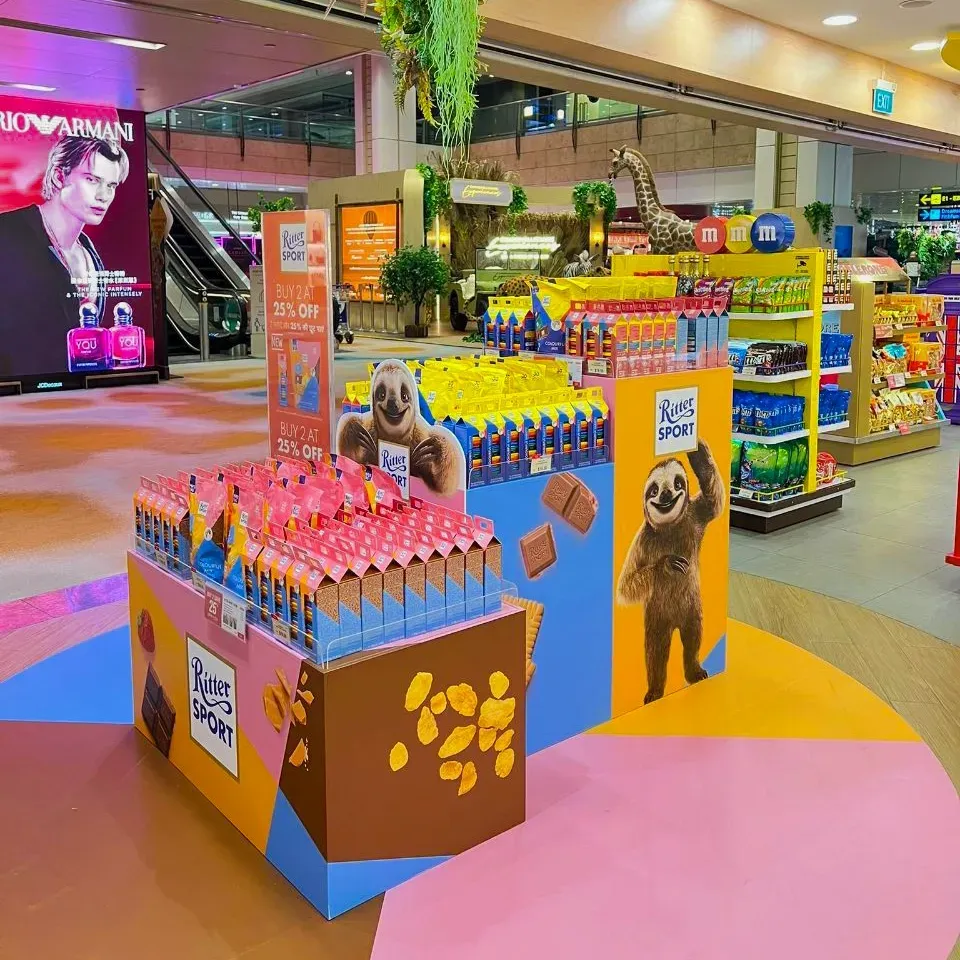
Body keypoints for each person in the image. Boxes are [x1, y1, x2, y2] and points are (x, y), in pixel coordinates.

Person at [0, 135, 129, 378]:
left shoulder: (89, 252)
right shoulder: (7, 232)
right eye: (92, 180)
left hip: (76, 395)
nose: (103, 195)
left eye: (111, 185)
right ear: (60, 176)